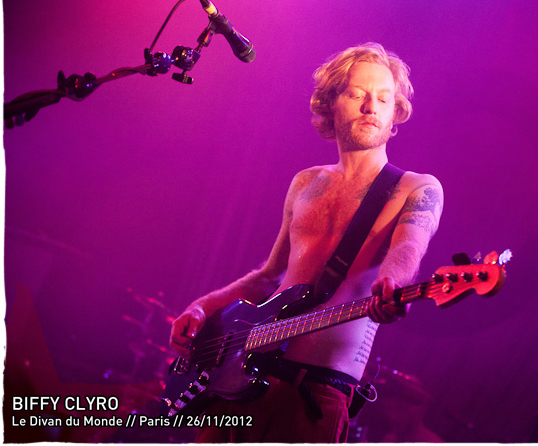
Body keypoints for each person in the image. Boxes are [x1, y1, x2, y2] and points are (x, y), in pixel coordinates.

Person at [169, 42, 443, 442]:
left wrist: (394, 282)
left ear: (395, 111)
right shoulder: (306, 182)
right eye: (357, 95)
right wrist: (202, 306)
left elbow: (407, 249)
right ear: (331, 103)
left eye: (384, 98)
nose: (371, 107)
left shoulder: (416, 188)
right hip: (239, 378)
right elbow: (269, 277)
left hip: (315, 392)